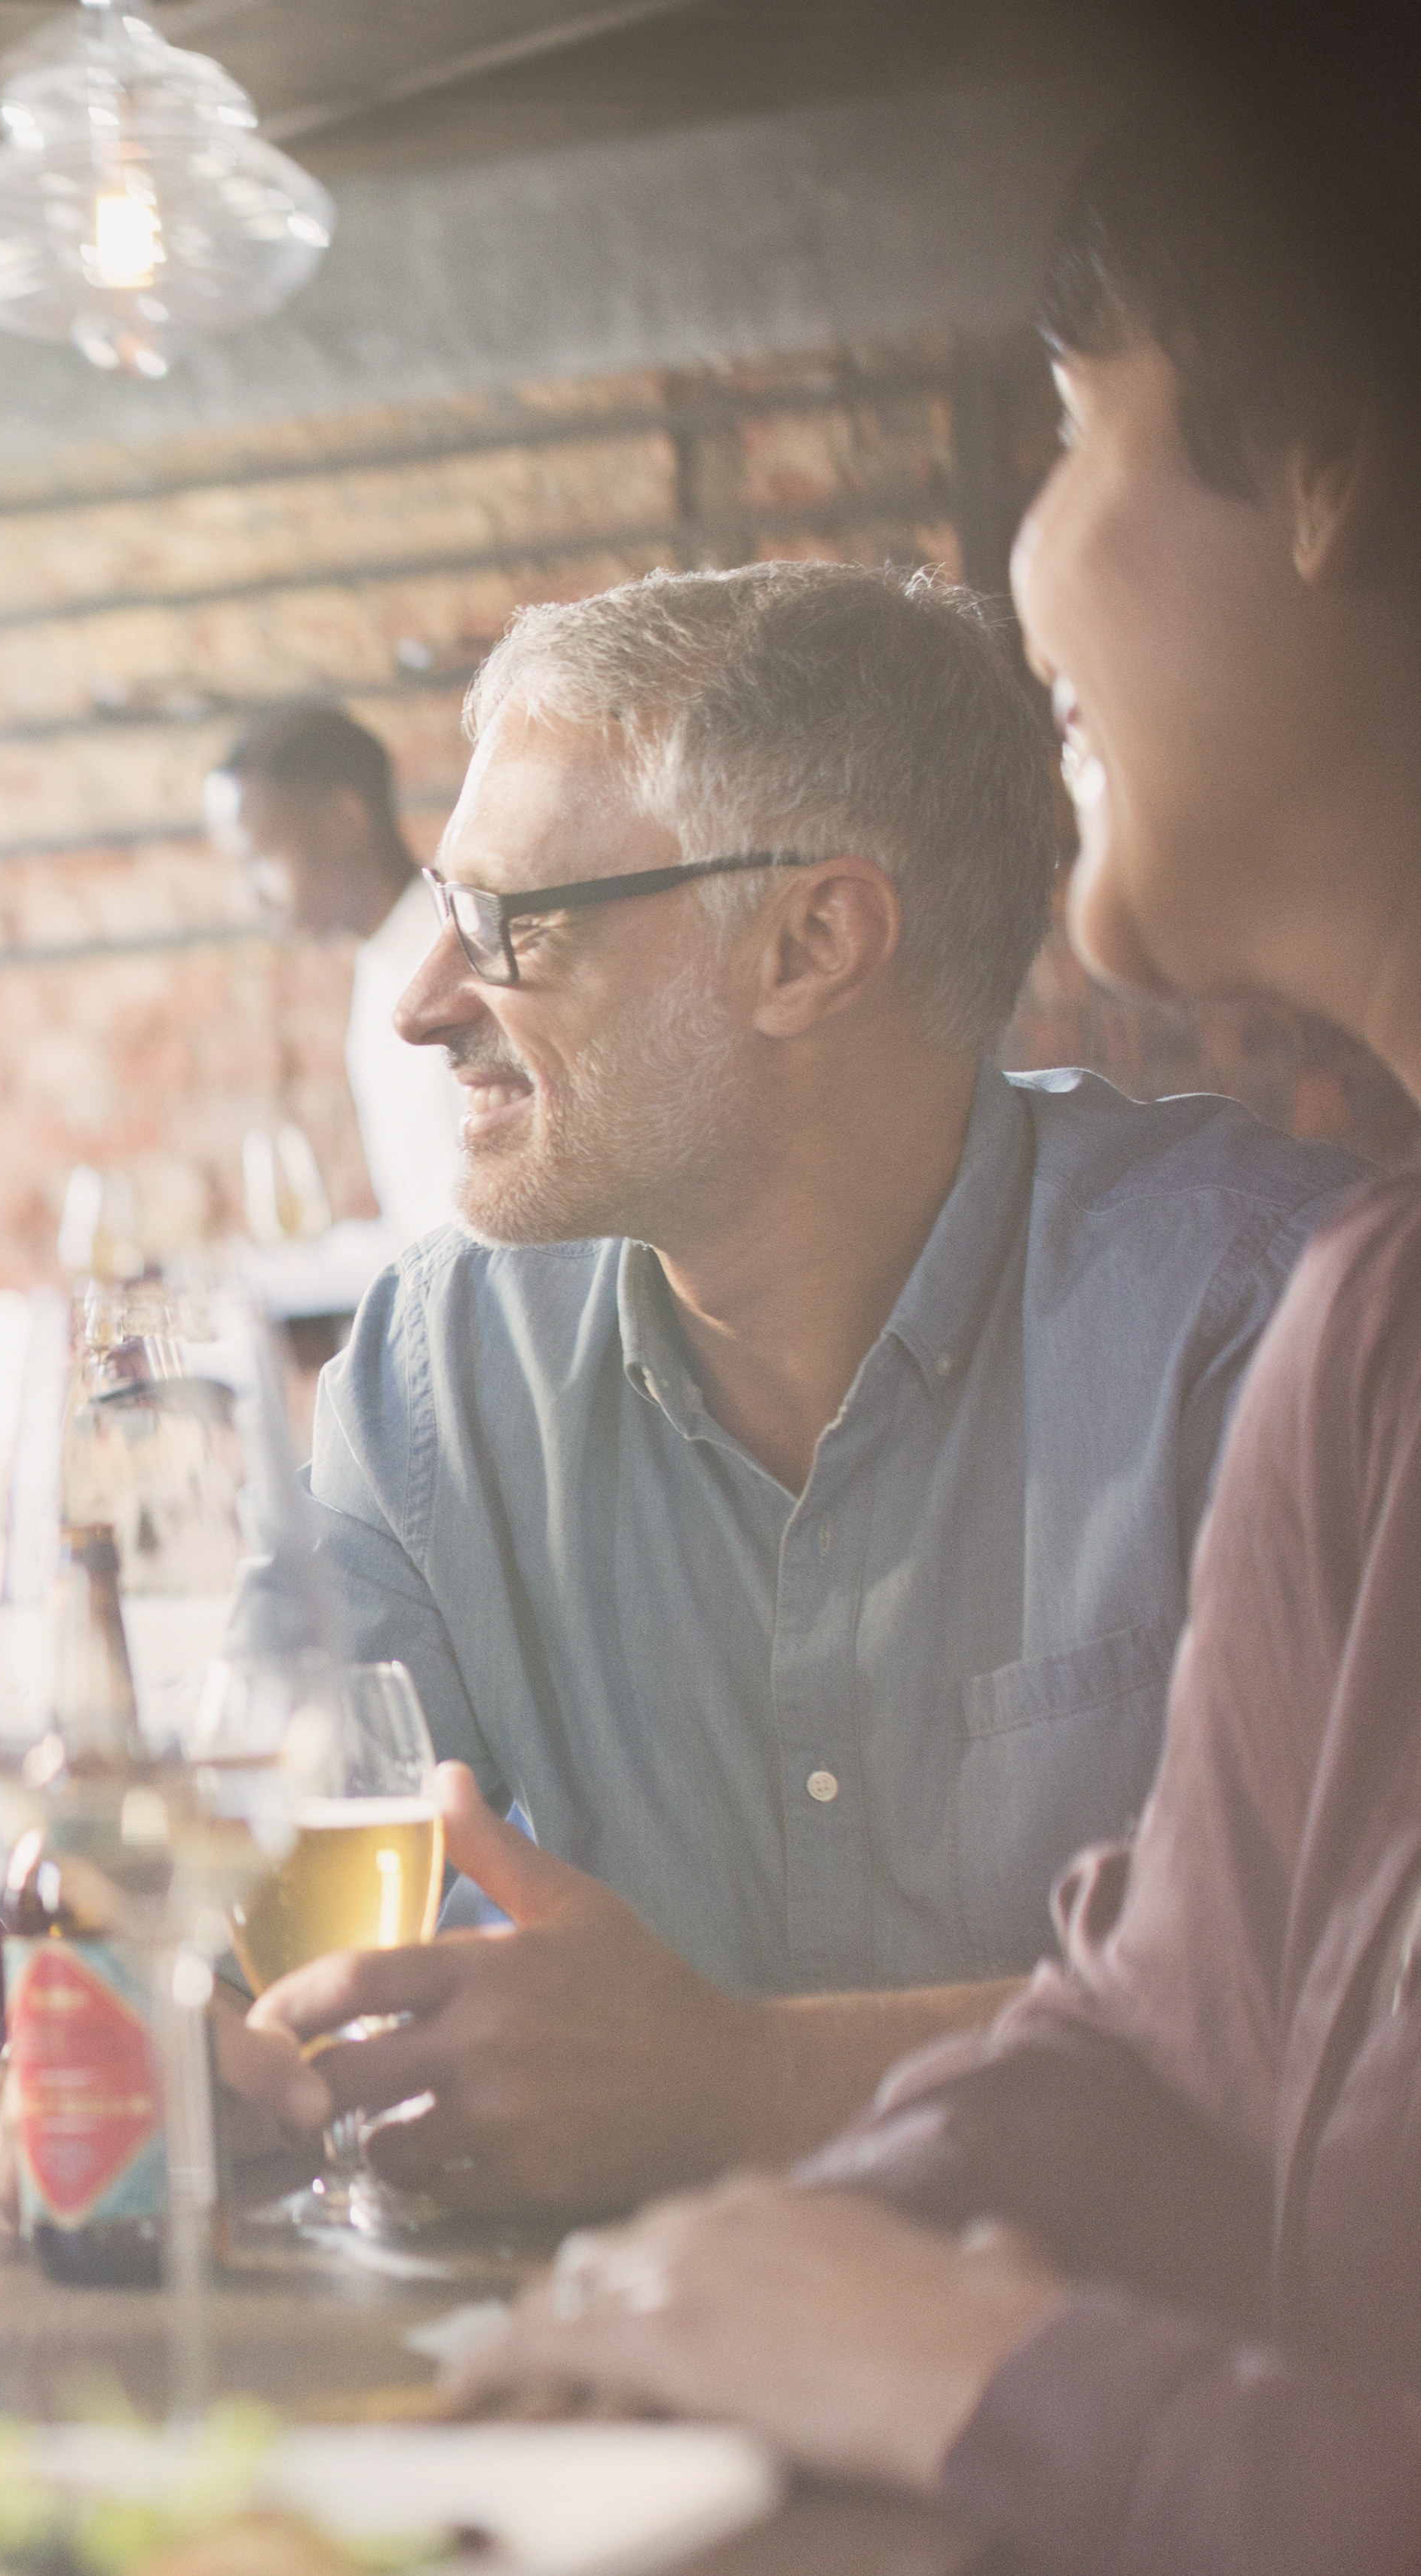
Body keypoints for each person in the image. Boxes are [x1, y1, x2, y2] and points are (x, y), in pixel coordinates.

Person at [445, 57, 1421, 2569]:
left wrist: (978, 2365)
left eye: (1079, 431)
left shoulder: (1231, 1285)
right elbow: (1156, 2034)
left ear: (1324, 451)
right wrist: (752, 2270)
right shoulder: (1369, 1323)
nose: (1022, 566)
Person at [222, 556, 1361, 2220]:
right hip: (623, 2398)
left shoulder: (1272, 1325)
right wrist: (151, 1993)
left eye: (502, 924)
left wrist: (744, 2084)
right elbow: (242, 1850)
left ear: (810, 943)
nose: (418, 1003)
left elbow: (1350, 2026)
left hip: (1183, 2420)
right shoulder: (434, 1359)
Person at [207, 702, 469, 1238]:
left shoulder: (461, 962)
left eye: (259, 860)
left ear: (345, 819)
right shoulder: (380, 970)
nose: (247, 897)